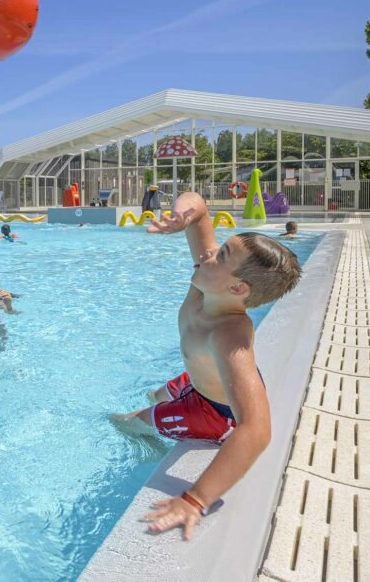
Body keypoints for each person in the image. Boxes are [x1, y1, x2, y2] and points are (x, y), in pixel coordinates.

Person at [111, 191, 302, 539]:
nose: (209, 252)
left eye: (222, 255)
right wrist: (183, 216)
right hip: (197, 379)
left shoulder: (230, 335)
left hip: (214, 412)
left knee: (125, 423)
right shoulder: (208, 287)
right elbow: (198, 209)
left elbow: (257, 430)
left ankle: (157, 442)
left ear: (238, 287)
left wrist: (195, 499)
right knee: (156, 394)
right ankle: (166, 408)